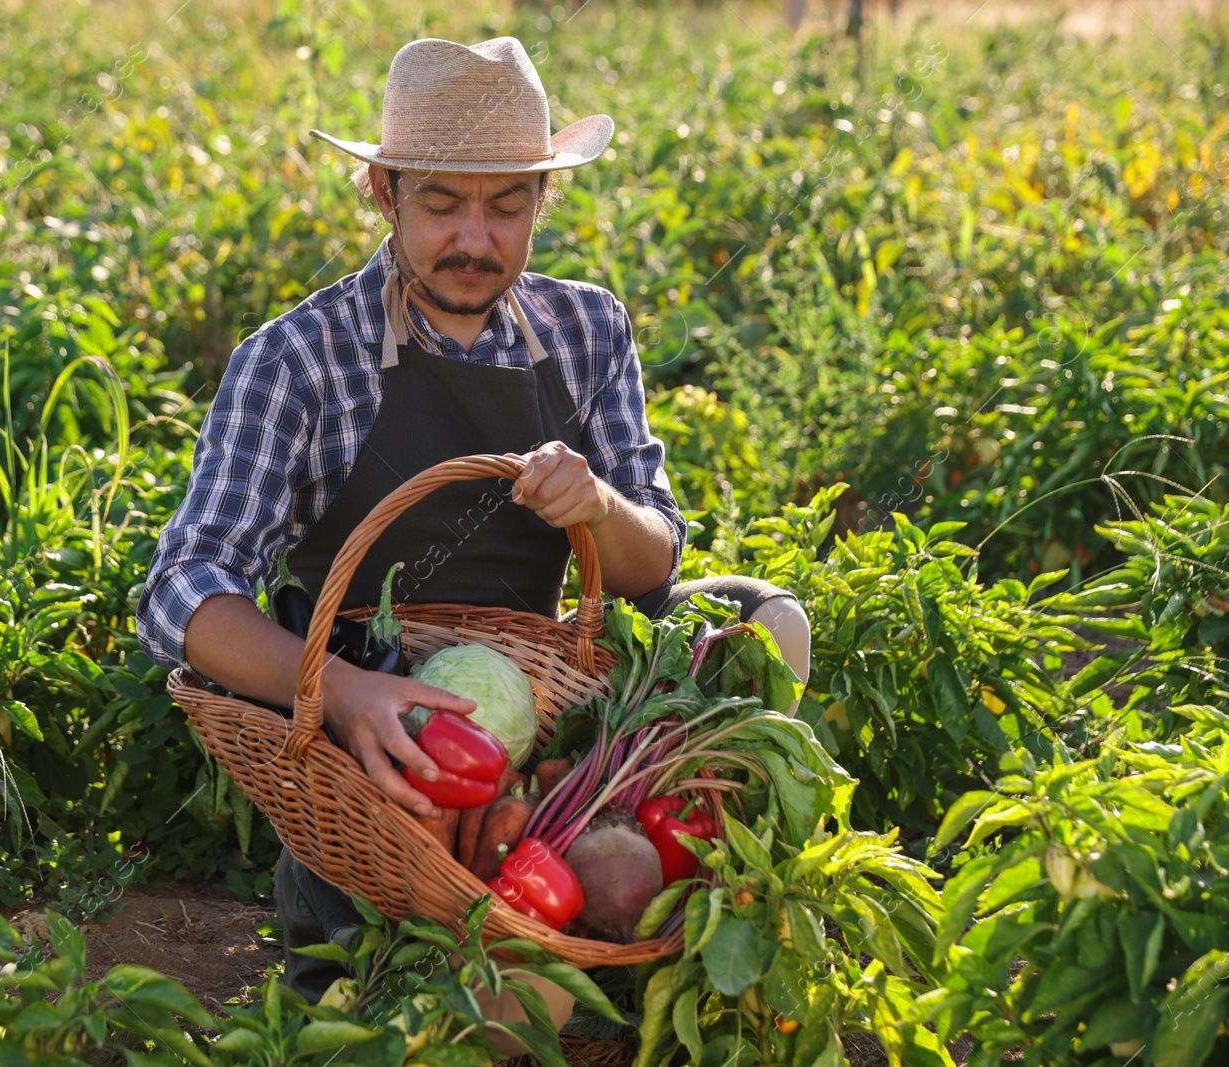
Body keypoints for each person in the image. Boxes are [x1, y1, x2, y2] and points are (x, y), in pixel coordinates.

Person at [135, 36, 812, 1001]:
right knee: (488, 998)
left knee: (767, 617)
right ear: (383, 191)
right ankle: (393, 916)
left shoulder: (586, 330)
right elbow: (180, 592)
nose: (474, 241)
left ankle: (670, 910)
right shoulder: (299, 359)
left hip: (549, 695)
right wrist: (337, 691)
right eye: (442, 204)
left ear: (544, 201)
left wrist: (599, 504)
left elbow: (653, 565)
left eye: (506, 206)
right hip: (392, 733)